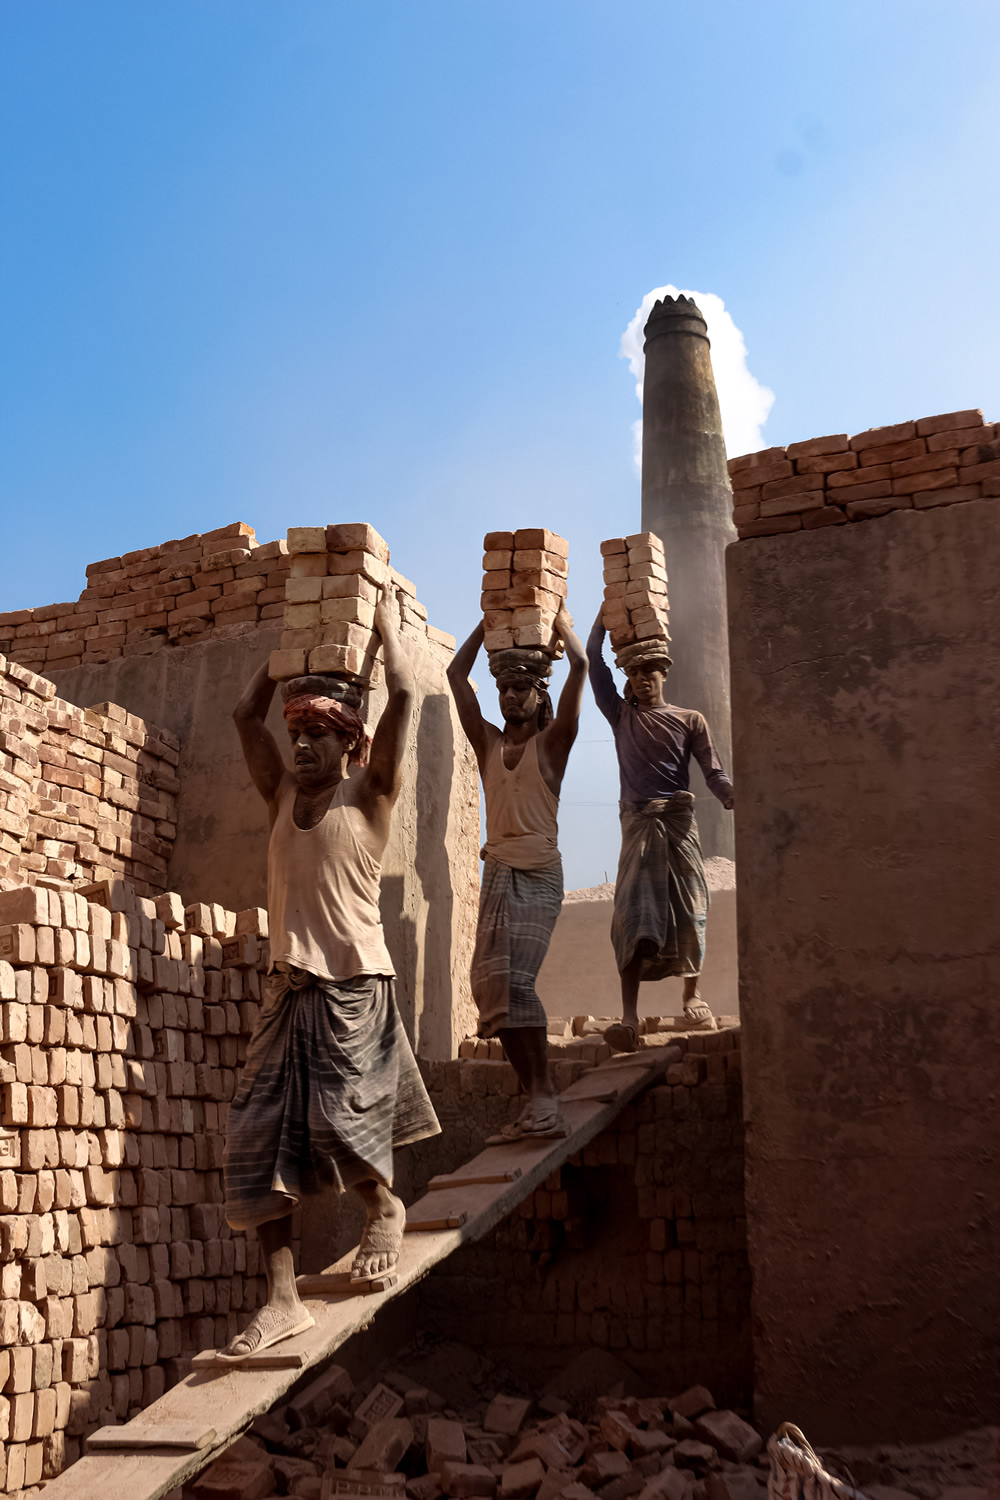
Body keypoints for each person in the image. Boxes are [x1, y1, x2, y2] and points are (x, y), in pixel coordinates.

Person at [220, 587, 440, 1359]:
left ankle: (386, 1208)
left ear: (350, 744)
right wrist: (286, 659)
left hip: (353, 986)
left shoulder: (369, 797)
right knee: (253, 1144)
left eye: (320, 733)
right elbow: (245, 719)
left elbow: (409, 693)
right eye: (299, 733)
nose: (304, 745)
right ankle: (282, 1301)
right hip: (288, 991)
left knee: (337, 1125)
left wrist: (378, 627)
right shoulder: (280, 793)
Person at [447, 604, 587, 1139]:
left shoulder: (553, 745)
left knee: (519, 983)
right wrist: (489, 622)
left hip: (539, 877)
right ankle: (532, 1100)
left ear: (538, 693)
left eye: (520, 686)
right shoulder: (487, 742)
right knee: (490, 987)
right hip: (499, 870)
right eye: (503, 687)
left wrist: (555, 623)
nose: (509, 695)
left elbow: (579, 667)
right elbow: (456, 677)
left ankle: (546, 1096)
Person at [587, 613, 734, 1050]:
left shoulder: (690, 719)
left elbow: (713, 771)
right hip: (638, 822)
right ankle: (629, 1018)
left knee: (691, 906)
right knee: (633, 916)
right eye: (632, 672)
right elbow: (594, 664)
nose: (641, 680)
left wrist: (730, 796)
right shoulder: (620, 717)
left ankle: (693, 997)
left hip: (677, 822)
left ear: (663, 673)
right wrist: (602, 620)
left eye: (648, 671)